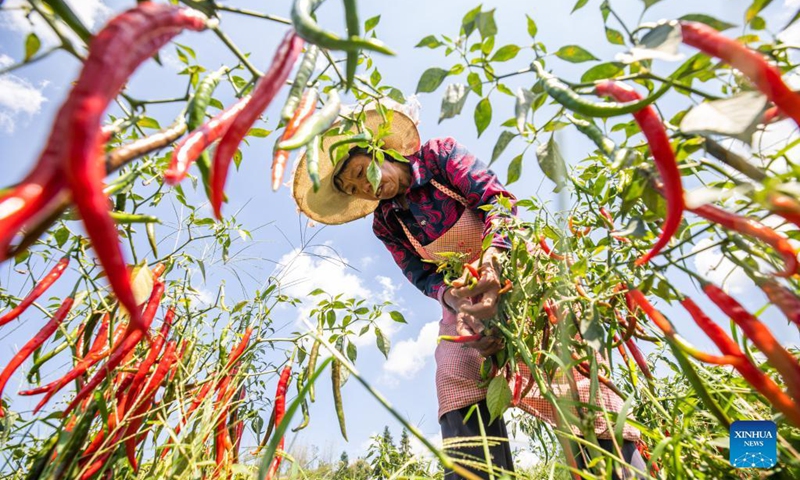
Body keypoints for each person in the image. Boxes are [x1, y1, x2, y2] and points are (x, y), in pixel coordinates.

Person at [292, 107, 646, 479]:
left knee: (569, 373)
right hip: (465, 299)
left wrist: (493, 261)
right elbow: (421, 274)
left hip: (518, 272)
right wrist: (452, 297)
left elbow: (499, 202)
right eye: (352, 189)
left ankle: (616, 469)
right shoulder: (387, 223)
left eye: (361, 173)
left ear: (377, 148)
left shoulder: (439, 156)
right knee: (455, 371)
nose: (364, 188)